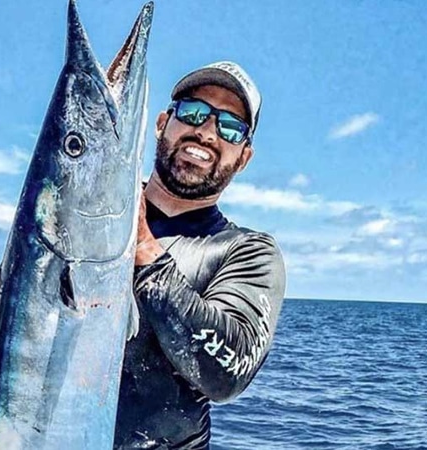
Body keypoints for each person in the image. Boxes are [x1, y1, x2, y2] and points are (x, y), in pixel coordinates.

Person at [114, 61, 286, 449]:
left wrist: (143, 248)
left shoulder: (246, 253)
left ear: (242, 158)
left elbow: (227, 373)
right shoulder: (91, 215)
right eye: (194, 112)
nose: (207, 132)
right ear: (162, 122)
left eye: (230, 127)